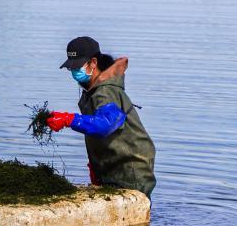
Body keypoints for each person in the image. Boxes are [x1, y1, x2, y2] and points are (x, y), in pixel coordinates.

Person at [47, 36, 156, 196]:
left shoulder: (106, 92)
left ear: (93, 63)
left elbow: (105, 124)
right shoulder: (93, 91)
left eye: (77, 67)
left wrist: (69, 119)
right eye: (72, 68)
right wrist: (95, 166)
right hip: (113, 167)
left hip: (130, 172)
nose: (74, 72)